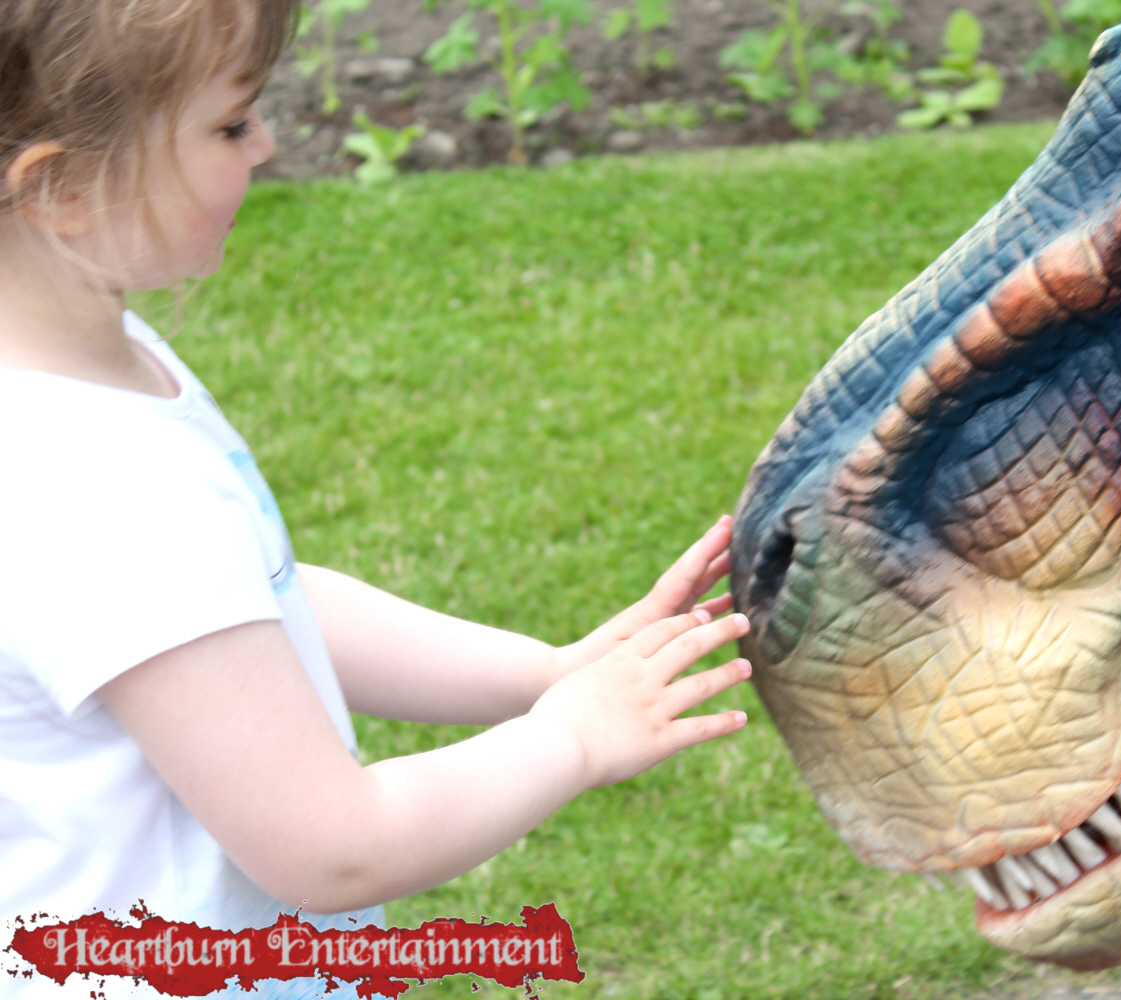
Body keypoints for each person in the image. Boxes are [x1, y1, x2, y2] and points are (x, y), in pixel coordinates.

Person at [0, 1, 751, 996]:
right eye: (230, 124)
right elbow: (334, 847)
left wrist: (545, 671)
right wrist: (571, 736)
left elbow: (259, 607)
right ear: (63, 190)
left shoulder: (88, 370)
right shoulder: (104, 486)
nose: (266, 145)